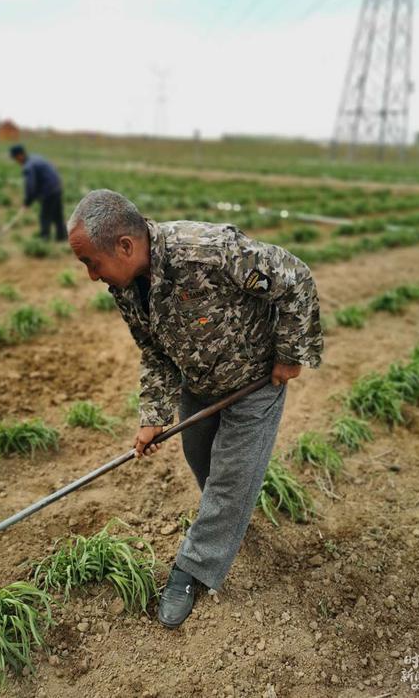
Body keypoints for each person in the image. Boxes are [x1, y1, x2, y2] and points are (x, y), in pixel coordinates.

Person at [67, 189, 323, 629]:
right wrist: (152, 417)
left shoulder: (208, 252)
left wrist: (291, 352)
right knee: (201, 460)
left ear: (125, 246)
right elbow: (154, 352)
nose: (92, 275)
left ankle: (192, 568)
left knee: (228, 481)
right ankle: (229, 516)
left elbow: (295, 279)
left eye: (93, 262)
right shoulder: (126, 286)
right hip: (199, 383)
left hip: (254, 381)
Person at [9, 145, 67, 241]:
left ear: (20, 155)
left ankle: (45, 238)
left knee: (45, 216)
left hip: (49, 191)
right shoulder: (35, 158)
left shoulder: (28, 166)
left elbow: (30, 186)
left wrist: (27, 201)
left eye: (15, 158)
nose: (16, 161)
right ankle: (61, 237)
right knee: (57, 215)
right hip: (57, 187)